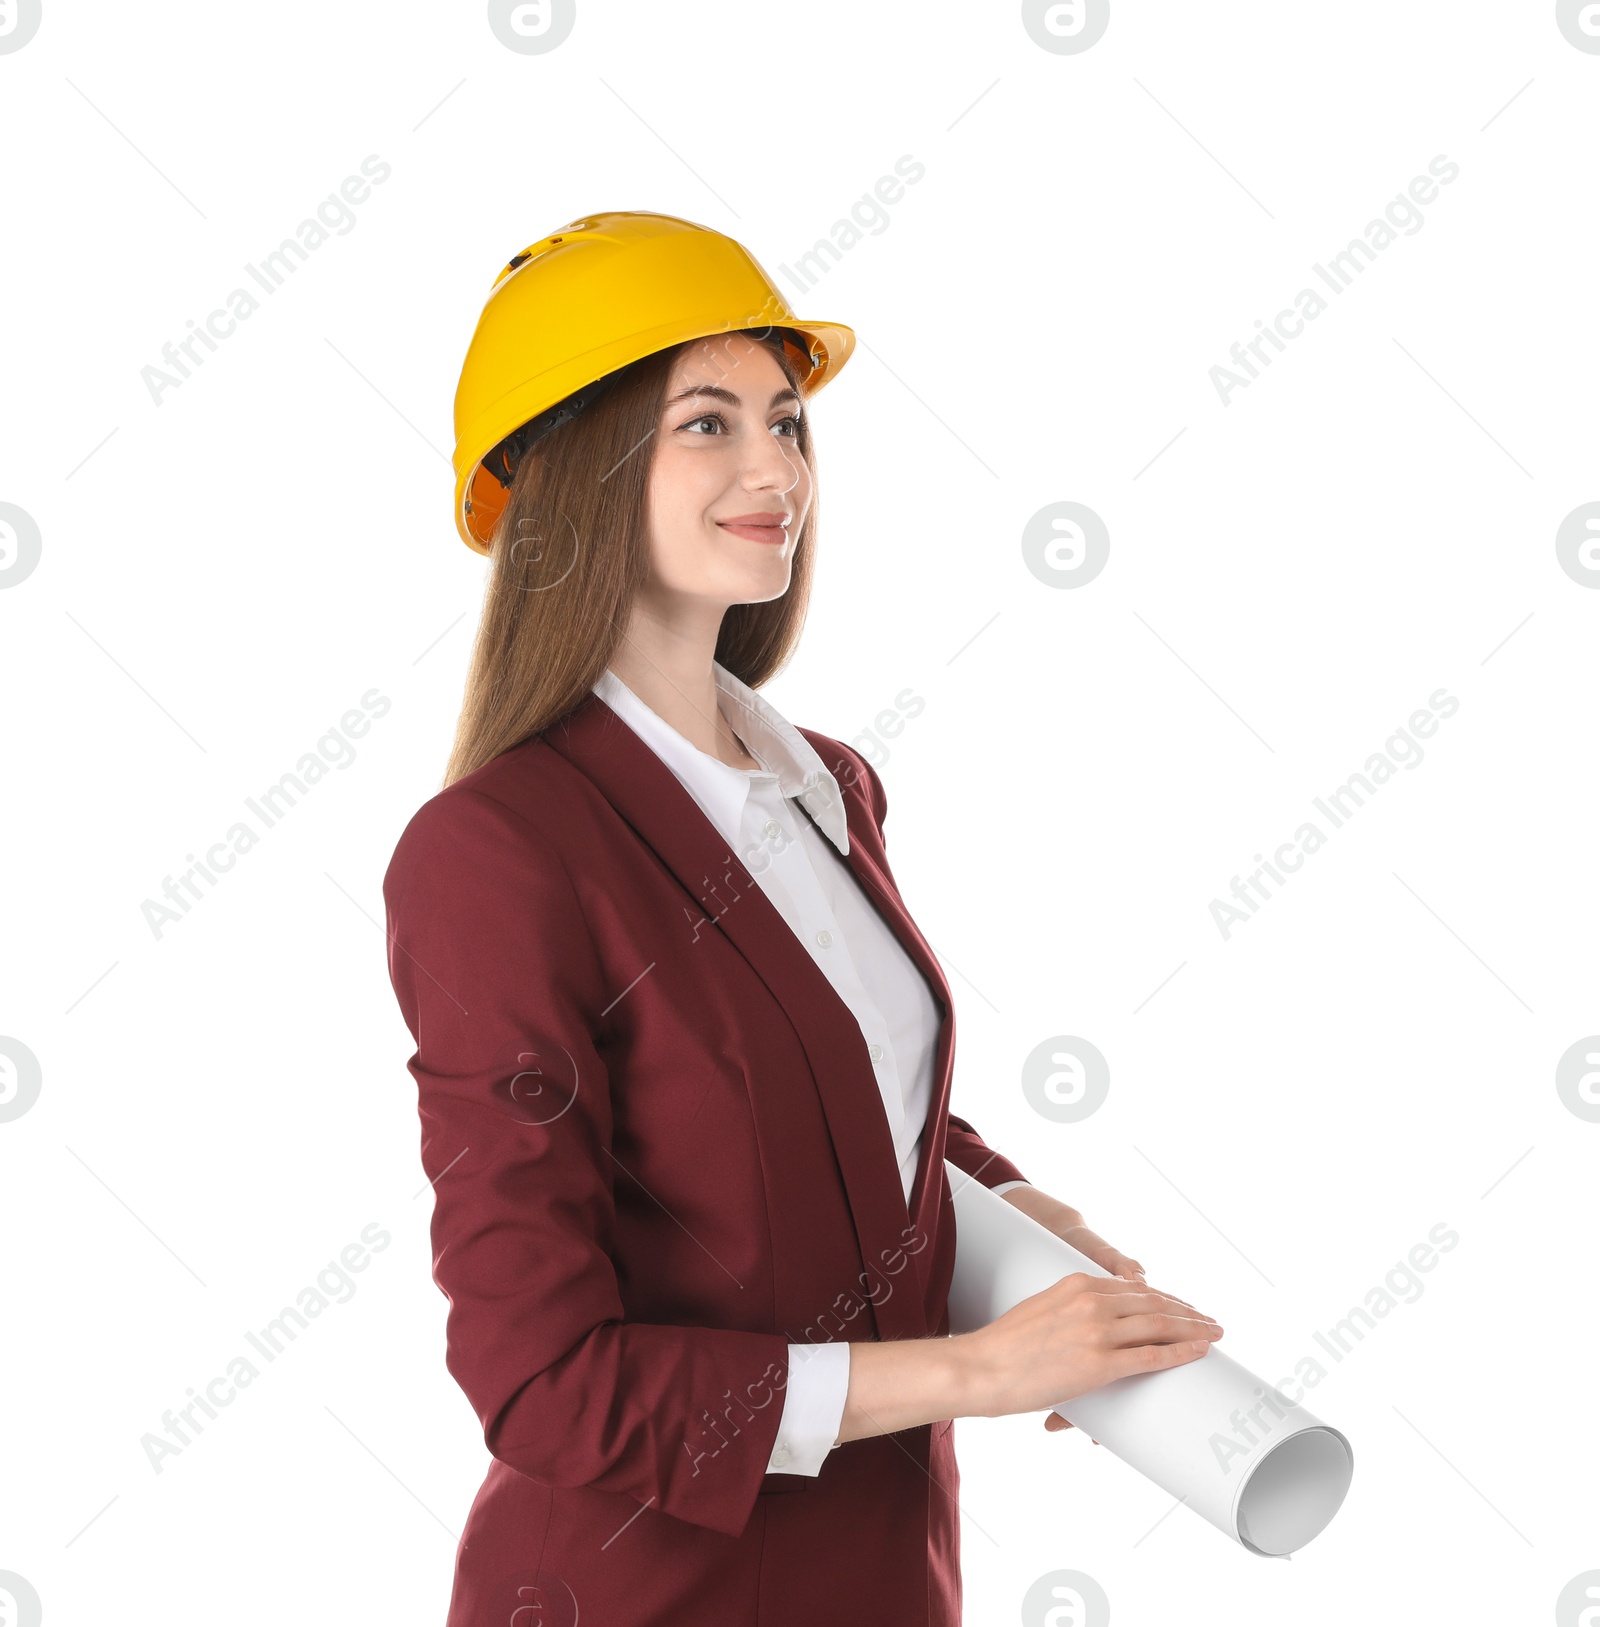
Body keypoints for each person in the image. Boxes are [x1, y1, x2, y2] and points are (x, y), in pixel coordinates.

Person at [383, 212, 1223, 1627]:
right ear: (578, 472)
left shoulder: (826, 785)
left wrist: (1010, 1213)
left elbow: (839, 1106)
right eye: (706, 425)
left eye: (786, 419)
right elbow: (544, 1386)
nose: (777, 468)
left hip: (888, 1574)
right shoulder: (498, 854)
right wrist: (978, 1371)